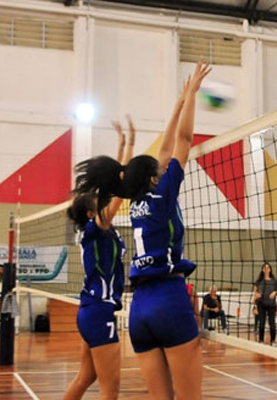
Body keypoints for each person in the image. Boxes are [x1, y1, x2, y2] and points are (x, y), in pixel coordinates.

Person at [113, 61, 209, 400]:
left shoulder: (136, 203)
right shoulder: (163, 195)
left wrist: (178, 103)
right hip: (169, 300)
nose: (163, 164)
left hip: (138, 310)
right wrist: (193, 94)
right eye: (159, 168)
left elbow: (165, 151)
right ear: (155, 177)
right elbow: (182, 141)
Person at [62, 115, 136, 400]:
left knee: (86, 377)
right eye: (98, 201)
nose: (103, 200)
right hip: (98, 311)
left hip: (92, 310)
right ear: (92, 213)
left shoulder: (100, 229)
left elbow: (110, 185)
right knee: (110, 390)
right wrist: (127, 152)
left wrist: (123, 144)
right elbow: (117, 186)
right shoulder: (97, 227)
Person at [253, 262, 277, 346]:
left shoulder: (274, 281)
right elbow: (255, 293)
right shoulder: (259, 281)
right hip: (261, 304)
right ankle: (261, 340)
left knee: (272, 323)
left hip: (272, 304)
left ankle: (273, 341)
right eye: (265, 267)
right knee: (262, 322)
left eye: (268, 267)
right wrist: (257, 297)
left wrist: (275, 293)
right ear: (262, 270)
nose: (266, 269)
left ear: (270, 269)